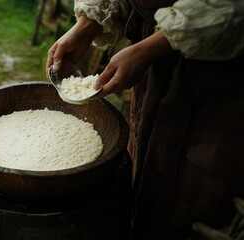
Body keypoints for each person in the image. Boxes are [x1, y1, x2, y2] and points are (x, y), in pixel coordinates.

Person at [46, 0, 244, 239]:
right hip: (149, 70)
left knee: (186, 203)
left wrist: (152, 47)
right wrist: (88, 24)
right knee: (141, 173)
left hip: (214, 81)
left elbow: (232, 9)